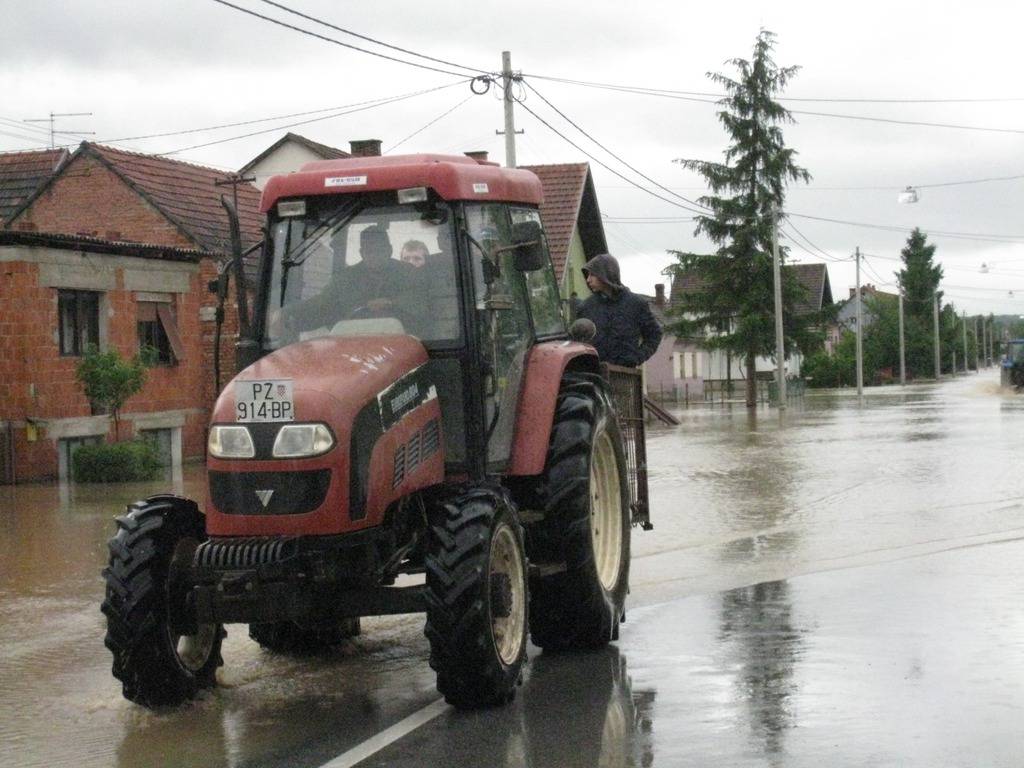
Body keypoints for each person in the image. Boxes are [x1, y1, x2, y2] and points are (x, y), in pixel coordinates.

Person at [281, 225, 421, 333]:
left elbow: (420, 301)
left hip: (404, 343)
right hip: (353, 343)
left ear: (389, 250)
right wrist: (287, 312)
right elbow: (322, 302)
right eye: (369, 251)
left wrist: (391, 303)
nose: (374, 256)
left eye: (379, 250)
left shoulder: (408, 273)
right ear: (361, 253)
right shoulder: (345, 279)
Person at [577, 253, 662, 367]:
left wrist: (637, 357)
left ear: (606, 274)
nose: (588, 280)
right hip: (594, 375)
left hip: (625, 376)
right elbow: (576, 341)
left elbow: (654, 335)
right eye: (588, 275)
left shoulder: (636, 304)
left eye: (593, 274)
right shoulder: (586, 307)